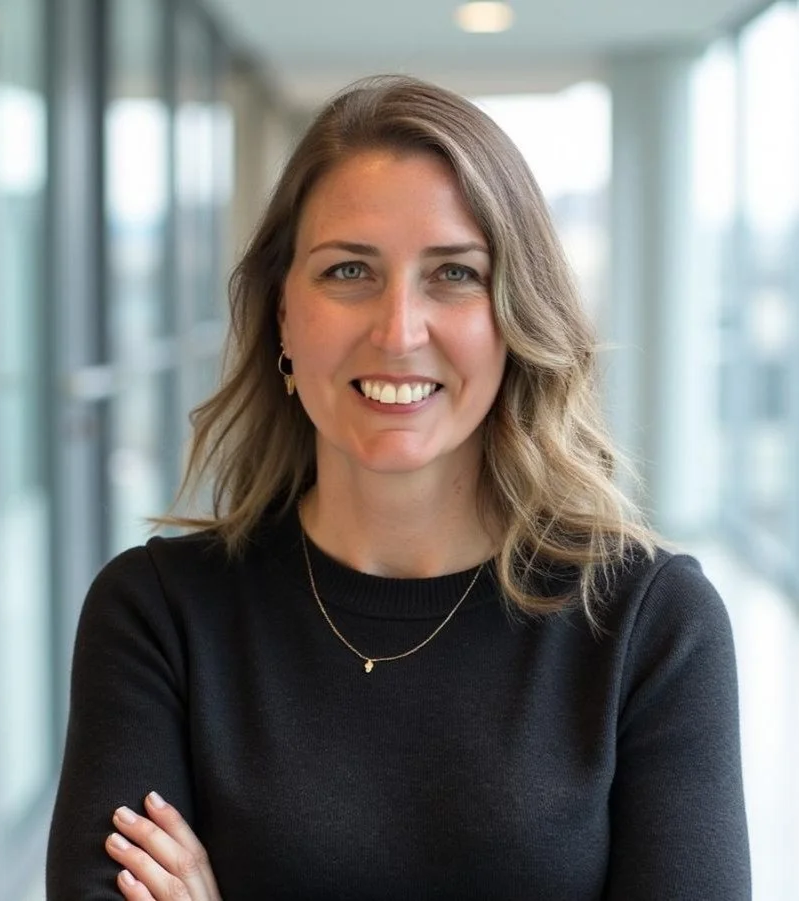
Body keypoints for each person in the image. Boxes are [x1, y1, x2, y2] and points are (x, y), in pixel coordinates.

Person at [46, 75, 751, 900]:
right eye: (349, 270)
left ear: (514, 315)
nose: (397, 330)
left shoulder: (648, 624)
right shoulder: (158, 615)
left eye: (453, 274)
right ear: (282, 313)